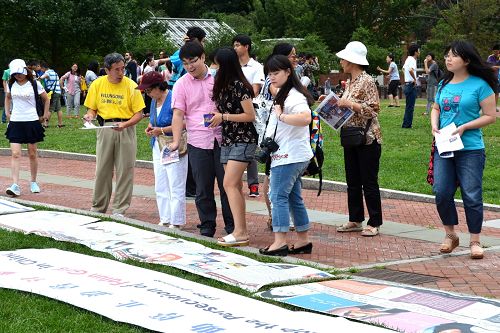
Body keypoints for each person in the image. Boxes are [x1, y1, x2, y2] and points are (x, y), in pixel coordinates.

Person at [431, 40, 497, 260]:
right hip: (444, 147)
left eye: (453, 55)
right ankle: (450, 235)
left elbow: (491, 116)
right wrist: (434, 125)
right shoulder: (443, 84)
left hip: (470, 148)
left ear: (466, 60)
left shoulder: (480, 85)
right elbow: (436, 107)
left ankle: (475, 240)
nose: (448, 59)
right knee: (441, 192)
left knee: (471, 194)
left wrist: (465, 127)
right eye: (447, 55)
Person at [168, 41, 234, 238]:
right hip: (197, 141)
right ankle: (207, 225)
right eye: (185, 63)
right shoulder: (181, 84)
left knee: (227, 185)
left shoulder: (219, 79)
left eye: (193, 61)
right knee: (202, 187)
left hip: (223, 140)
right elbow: (178, 115)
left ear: (203, 57)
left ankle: (233, 226)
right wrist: (176, 140)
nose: (190, 66)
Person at [258, 54, 314, 257]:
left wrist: (281, 115)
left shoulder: (294, 96)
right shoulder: (287, 92)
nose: (271, 77)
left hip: (289, 155)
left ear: (288, 72)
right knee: (292, 197)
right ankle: (302, 240)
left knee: (277, 196)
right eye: (269, 73)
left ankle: (279, 241)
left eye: (276, 73)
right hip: (295, 154)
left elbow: (305, 117)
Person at [83, 52, 145, 217]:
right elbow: (92, 108)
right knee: (102, 169)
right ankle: (98, 207)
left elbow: (139, 114)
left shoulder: (131, 85)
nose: (121, 72)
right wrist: (90, 115)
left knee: (125, 170)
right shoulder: (97, 84)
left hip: (126, 128)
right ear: (107, 70)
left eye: (122, 68)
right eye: (117, 69)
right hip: (105, 129)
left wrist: (125, 124)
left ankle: (119, 209)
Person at [209, 47, 257, 247]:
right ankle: (240, 230)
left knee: (228, 183)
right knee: (233, 185)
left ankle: (240, 232)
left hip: (243, 138)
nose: (213, 68)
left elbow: (250, 116)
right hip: (228, 139)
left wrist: (224, 117)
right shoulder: (222, 85)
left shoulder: (239, 86)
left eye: (216, 64)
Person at [334, 41, 383, 237]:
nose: (340, 61)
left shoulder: (367, 80)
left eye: (343, 58)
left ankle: (374, 221)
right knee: (352, 180)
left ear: (352, 60)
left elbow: (373, 109)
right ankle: (355, 219)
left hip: (368, 138)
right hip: (351, 136)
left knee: (368, 181)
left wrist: (349, 104)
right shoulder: (351, 82)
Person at [138, 71, 188, 229]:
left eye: (148, 90)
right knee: (160, 183)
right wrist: (151, 127)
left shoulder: (174, 97)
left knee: (175, 183)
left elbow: (185, 122)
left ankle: (177, 220)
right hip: (157, 145)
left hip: (173, 144)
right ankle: (165, 217)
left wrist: (161, 130)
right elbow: (154, 121)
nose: (147, 94)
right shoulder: (153, 101)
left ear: (158, 87)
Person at [4, 59, 49, 196]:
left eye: (19, 72)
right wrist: (7, 113)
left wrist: (46, 114)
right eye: (15, 73)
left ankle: (33, 181)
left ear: (25, 70)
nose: (17, 75)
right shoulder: (11, 84)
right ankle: (15, 184)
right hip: (16, 122)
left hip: (31, 121)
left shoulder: (34, 83)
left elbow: (46, 99)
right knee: (15, 154)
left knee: (32, 153)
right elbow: (8, 98)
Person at [232, 34, 265, 198]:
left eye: (238, 45)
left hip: (250, 111)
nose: (235, 48)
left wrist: (240, 99)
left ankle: (253, 184)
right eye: (234, 45)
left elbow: (255, 90)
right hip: (232, 112)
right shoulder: (232, 66)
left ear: (247, 47)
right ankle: (234, 183)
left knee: (250, 148)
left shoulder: (256, 67)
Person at [39, 62, 64, 128]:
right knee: (59, 109)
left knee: (50, 108)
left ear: (43, 68)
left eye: (41, 68)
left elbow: (43, 77)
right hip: (58, 92)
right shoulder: (55, 73)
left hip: (53, 93)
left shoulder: (47, 72)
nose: (41, 70)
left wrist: (40, 78)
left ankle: (45, 124)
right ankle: (60, 124)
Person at [402, 44, 420, 128]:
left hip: (407, 84)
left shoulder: (407, 59)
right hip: (410, 85)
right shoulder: (412, 59)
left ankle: (406, 123)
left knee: (408, 106)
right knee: (410, 106)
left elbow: (403, 69)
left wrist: (407, 77)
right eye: (418, 50)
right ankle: (407, 125)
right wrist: (414, 79)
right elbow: (410, 70)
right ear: (415, 52)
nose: (419, 52)